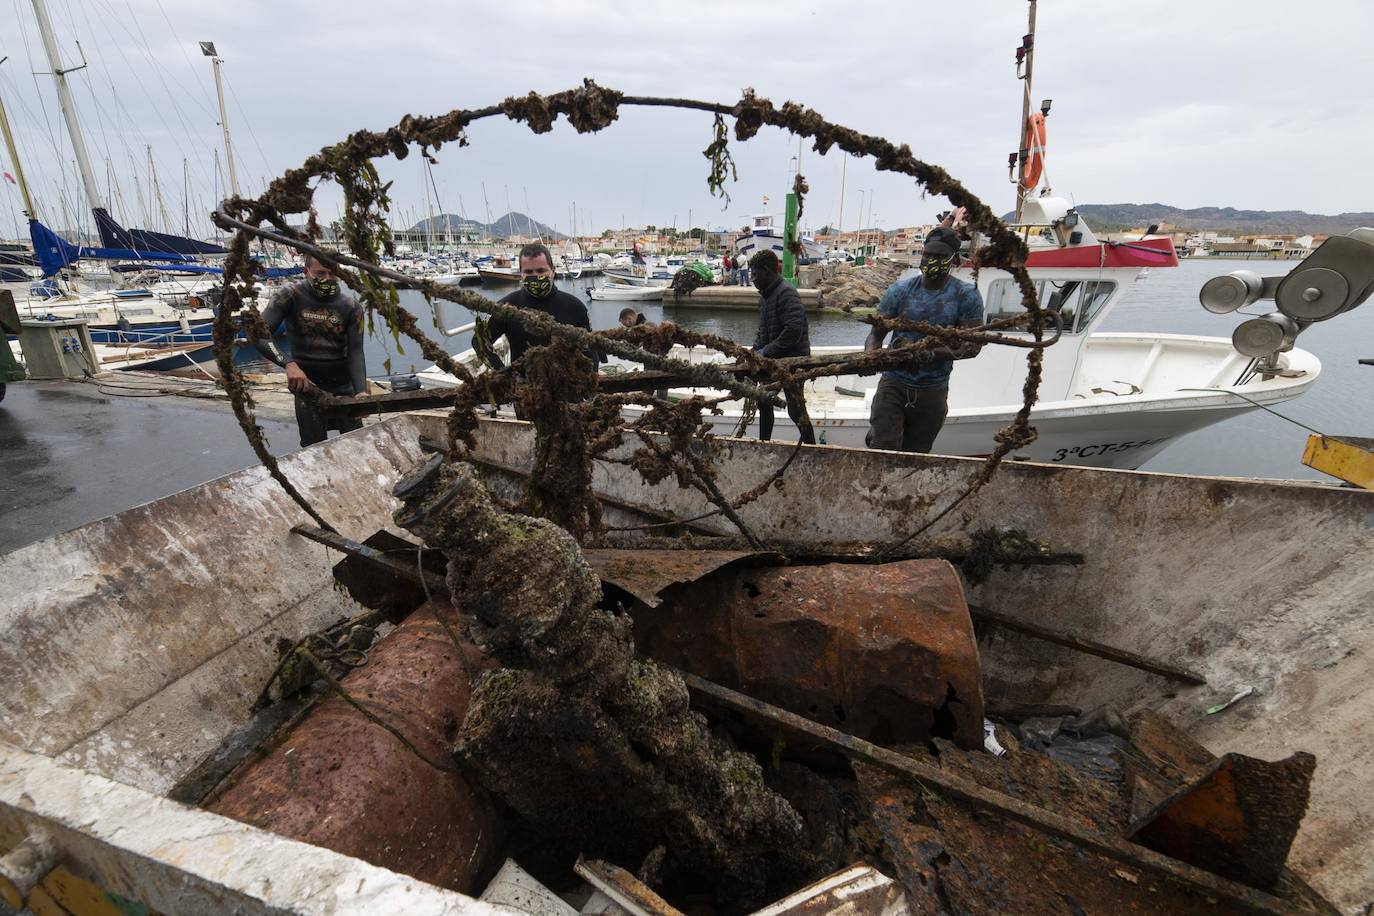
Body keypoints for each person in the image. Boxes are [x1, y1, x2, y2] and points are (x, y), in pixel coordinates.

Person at [864, 207, 983, 453]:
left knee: (915, 455)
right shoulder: (900, 291)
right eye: (927, 255)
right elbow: (876, 334)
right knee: (882, 447)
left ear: (954, 260)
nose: (931, 261)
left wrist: (928, 353)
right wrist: (871, 356)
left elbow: (972, 347)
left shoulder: (966, 295)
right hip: (894, 384)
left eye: (939, 257)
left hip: (933, 390)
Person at [255, 254, 367, 448]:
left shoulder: (351, 307)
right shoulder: (290, 295)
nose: (327, 279)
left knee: (356, 443)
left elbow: (356, 352)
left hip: (343, 386)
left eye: (333, 274)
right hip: (306, 385)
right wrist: (288, 363)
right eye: (320, 273)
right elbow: (260, 334)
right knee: (312, 446)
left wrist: (361, 391)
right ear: (306, 272)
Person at [477, 242, 594, 372]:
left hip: (567, 383)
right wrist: (501, 371)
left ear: (553, 270)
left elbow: (590, 349)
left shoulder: (575, 307)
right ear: (521, 273)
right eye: (528, 272)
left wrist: (590, 378)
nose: (535, 276)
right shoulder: (507, 307)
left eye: (541, 270)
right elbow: (479, 342)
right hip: (524, 385)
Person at [749, 249, 815, 444]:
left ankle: (811, 446)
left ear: (768, 271)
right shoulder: (765, 298)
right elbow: (763, 332)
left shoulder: (787, 294)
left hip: (794, 360)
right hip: (774, 360)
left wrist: (766, 351)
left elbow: (793, 331)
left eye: (756, 274)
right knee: (763, 400)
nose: (752, 279)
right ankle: (764, 443)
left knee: (795, 410)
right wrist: (754, 351)